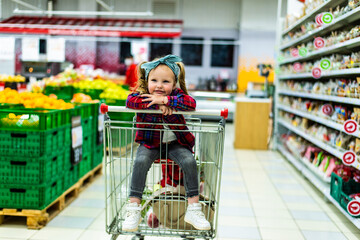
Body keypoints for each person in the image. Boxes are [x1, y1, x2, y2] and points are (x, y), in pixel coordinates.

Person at [123, 55, 211, 232]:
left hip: (176, 143)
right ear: (147, 81)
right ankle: (133, 209)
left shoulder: (177, 96)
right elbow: (129, 101)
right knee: (140, 162)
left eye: (165, 81)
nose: (159, 86)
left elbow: (191, 103)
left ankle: (193, 209)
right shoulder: (141, 96)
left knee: (189, 161)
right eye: (154, 80)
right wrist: (154, 104)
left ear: (174, 83)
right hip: (150, 144)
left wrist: (166, 101)